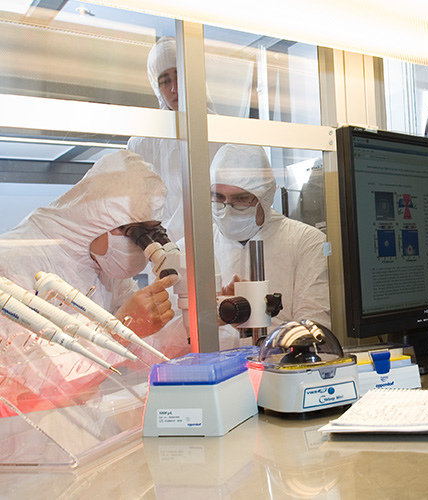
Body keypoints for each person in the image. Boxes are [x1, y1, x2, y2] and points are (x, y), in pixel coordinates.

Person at [0, 150, 184, 415]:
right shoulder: (13, 263)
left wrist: (196, 324)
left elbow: (145, 352)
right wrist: (120, 329)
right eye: (135, 233)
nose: (141, 247)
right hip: (23, 446)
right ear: (100, 219)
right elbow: (20, 388)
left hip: (82, 439)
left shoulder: (102, 261)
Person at [210, 144, 331, 345]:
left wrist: (255, 318)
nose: (227, 210)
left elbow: (314, 329)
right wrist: (212, 317)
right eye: (218, 197)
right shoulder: (196, 246)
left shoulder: (305, 241)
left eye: (241, 199)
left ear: (265, 197)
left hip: (277, 369)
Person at [127, 36, 220, 244]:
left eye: (179, 76)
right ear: (156, 87)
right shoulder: (142, 143)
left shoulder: (221, 134)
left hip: (214, 248)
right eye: (165, 81)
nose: (174, 88)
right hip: (161, 252)